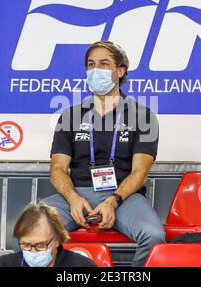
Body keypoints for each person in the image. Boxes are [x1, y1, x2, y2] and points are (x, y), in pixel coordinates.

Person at [43, 40, 165, 267]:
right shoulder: (71, 115)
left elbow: (140, 171)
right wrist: (72, 198)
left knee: (154, 236)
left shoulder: (143, 116)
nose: (95, 70)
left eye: (103, 64)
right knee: (28, 230)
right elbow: (57, 168)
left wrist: (113, 201)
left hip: (123, 196)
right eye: (91, 64)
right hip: (75, 194)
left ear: (120, 71)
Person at [0, 203, 96, 267]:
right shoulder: (3, 264)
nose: (33, 252)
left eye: (40, 245)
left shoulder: (83, 266)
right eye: (26, 245)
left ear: (57, 240)